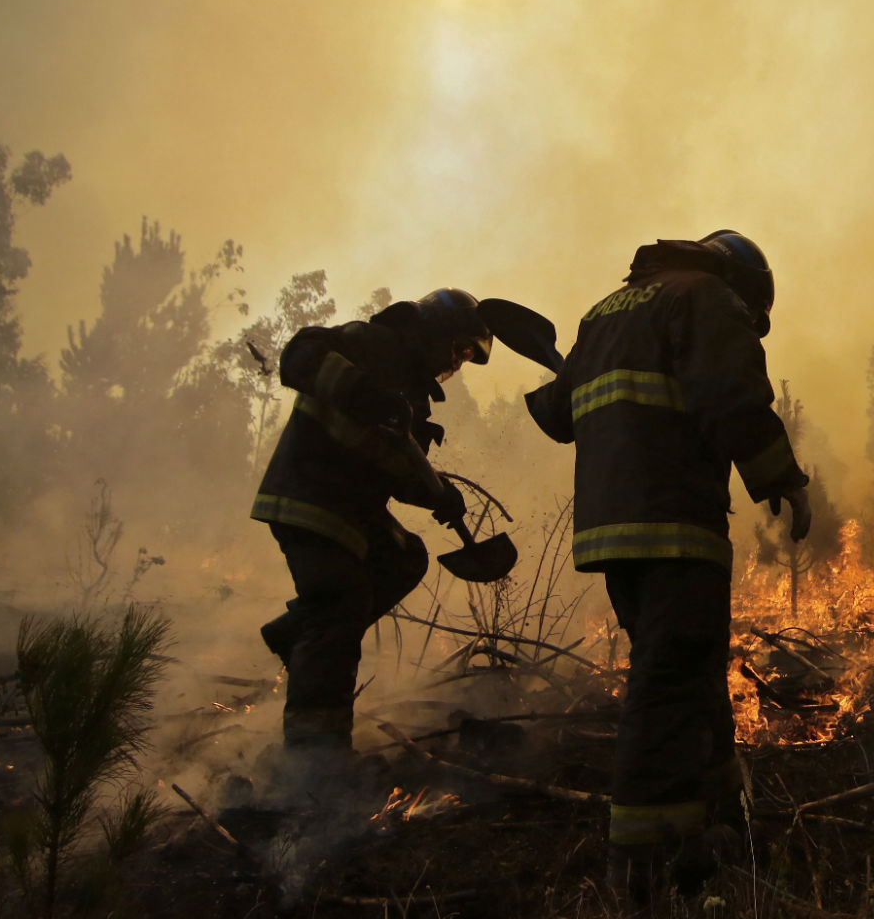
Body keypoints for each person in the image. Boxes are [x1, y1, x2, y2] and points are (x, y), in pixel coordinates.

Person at [525, 230, 811, 904]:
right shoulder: (705, 297)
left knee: (690, 670)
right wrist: (779, 474)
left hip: (611, 532)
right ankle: (640, 864)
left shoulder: (606, 311)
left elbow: (556, 414)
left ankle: (713, 831)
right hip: (675, 521)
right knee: (666, 684)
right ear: (744, 285)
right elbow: (730, 392)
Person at [252, 287, 556, 764]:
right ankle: (315, 760)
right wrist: (362, 393)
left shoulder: (411, 396)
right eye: (458, 350)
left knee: (404, 558)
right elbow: (299, 354)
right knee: (337, 608)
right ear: (435, 330)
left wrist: (438, 494)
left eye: (465, 359)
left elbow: (394, 463)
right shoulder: (372, 342)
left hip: (352, 510)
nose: (455, 365)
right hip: (310, 495)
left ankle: (295, 632)